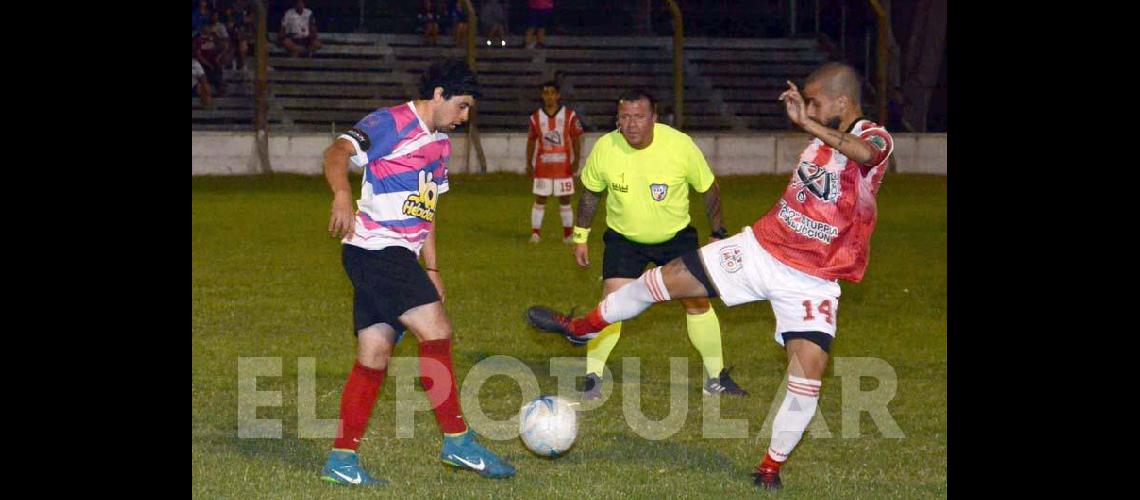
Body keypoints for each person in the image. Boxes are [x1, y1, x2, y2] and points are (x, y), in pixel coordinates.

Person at [526, 62, 894, 489]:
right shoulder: (818, 140)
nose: (808, 108)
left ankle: (769, 468)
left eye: (816, 101)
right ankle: (581, 327)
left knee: (807, 376)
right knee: (659, 283)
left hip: (813, 279)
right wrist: (812, 123)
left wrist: (809, 122)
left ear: (843, 102)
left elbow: (865, 154)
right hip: (759, 249)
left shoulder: (875, 138)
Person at [319, 58, 516, 486]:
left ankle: (341, 459)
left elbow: (426, 209)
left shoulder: (441, 142)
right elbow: (336, 152)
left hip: (394, 256)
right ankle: (458, 442)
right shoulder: (392, 122)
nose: (464, 118)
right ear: (439, 94)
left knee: (374, 354)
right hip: (375, 250)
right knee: (437, 330)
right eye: (461, 107)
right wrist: (340, 194)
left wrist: (432, 267)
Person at [550, 88, 748, 400]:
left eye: (639, 117)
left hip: (675, 237)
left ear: (653, 118)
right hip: (624, 239)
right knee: (611, 305)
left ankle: (716, 378)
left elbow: (708, 187)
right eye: (624, 117)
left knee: (696, 302)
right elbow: (590, 193)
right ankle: (592, 377)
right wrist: (580, 236)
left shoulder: (679, 145)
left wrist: (718, 232)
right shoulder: (606, 148)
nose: (631, 124)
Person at [526, 80, 583, 244]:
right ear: (542, 96)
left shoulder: (569, 115)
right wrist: (529, 163)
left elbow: (577, 138)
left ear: (558, 95)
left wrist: (577, 160)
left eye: (552, 93)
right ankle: (535, 233)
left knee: (565, 199)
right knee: (540, 198)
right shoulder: (536, 117)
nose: (549, 96)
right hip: (543, 166)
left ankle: (567, 235)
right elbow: (531, 141)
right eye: (546, 93)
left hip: (563, 166)